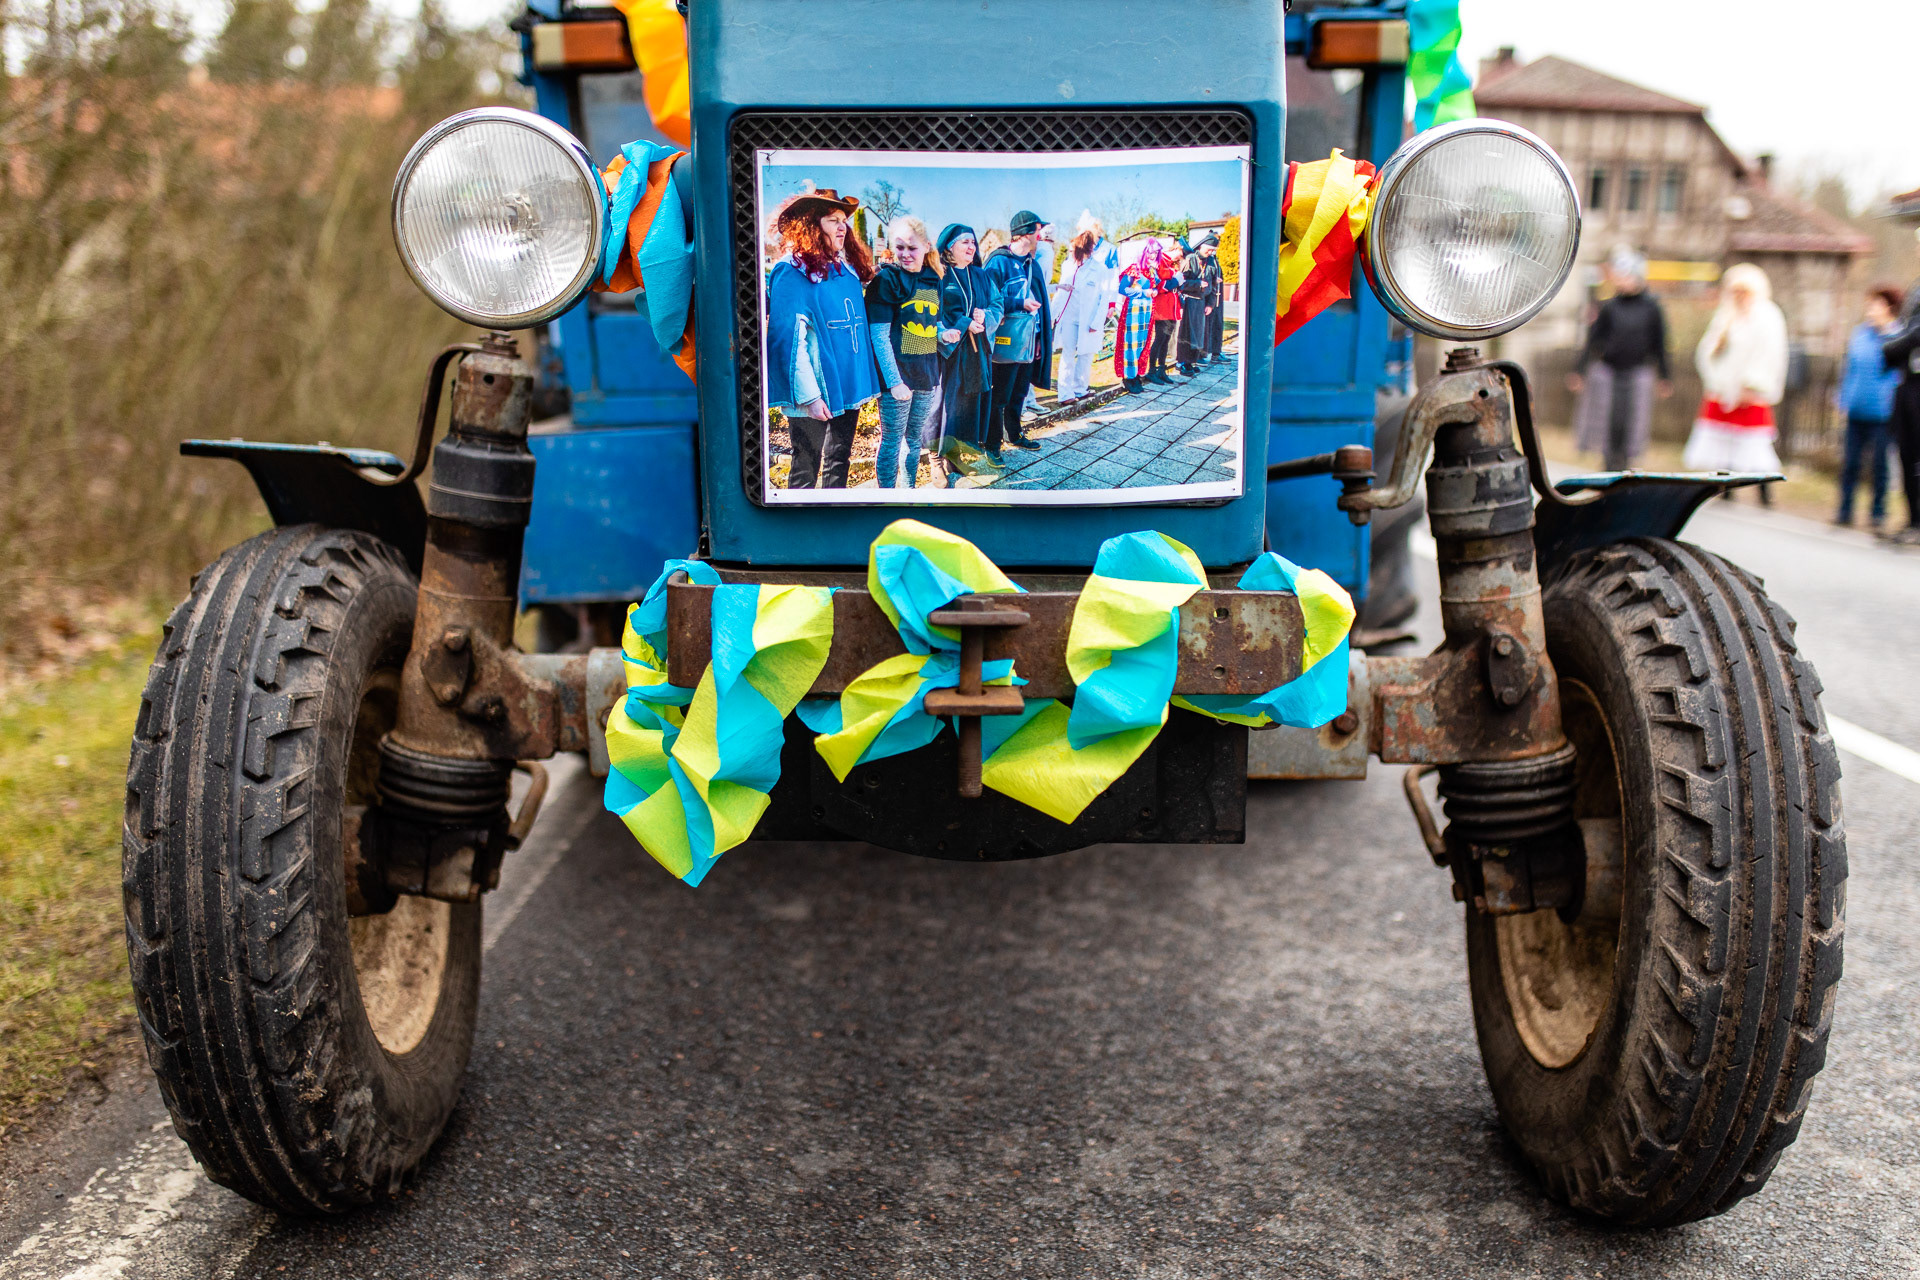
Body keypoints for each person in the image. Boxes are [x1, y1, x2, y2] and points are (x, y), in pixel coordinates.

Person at [765, 188, 881, 489]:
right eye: (833, 220)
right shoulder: (791, 272)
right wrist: (810, 398)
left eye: (844, 220)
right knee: (805, 466)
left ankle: (834, 515)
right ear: (811, 225)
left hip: (847, 385)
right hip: (815, 389)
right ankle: (799, 519)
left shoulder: (846, 271)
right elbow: (788, 342)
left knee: (839, 459)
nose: (843, 227)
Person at [1683, 263, 1789, 503]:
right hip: (1724, 388)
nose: (1739, 296)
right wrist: (1715, 362)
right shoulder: (1726, 315)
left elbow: (1770, 353)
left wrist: (1752, 384)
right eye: (1735, 291)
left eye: (1744, 291)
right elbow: (1708, 349)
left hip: (1749, 390)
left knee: (1753, 444)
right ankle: (1726, 489)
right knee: (1724, 442)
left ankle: (1763, 492)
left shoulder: (1767, 316)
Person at [1570, 247, 1672, 472]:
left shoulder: (1652, 308)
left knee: (1632, 422)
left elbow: (1660, 343)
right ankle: (1608, 463)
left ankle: (1626, 464)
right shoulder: (1609, 307)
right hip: (1609, 371)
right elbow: (1592, 340)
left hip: (1638, 371)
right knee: (1608, 421)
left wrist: (1665, 376)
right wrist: (1579, 370)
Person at [865, 216, 945, 489]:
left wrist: (943, 333)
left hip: (926, 374)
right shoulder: (886, 280)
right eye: (899, 247)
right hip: (898, 378)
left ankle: (908, 492)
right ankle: (886, 497)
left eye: (912, 247)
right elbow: (879, 336)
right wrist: (894, 382)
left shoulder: (933, 279)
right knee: (891, 441)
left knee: (914, 441)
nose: (905, 254)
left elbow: (932, 323)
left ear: (926, 246)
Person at [932, 223, 1005, 487]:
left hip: (976, 354)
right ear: (949, 246)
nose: (971, 246)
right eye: (965, 242)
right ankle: (936, 459)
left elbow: (998, 303)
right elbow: (934, 311)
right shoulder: (940, 275)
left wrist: (986, 316)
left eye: (973, 242)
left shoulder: (981, 275)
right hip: (950, 353)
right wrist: (964, 324)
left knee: (968, 407)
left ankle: (958, 455)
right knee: (945, 406)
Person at [1832, 284, 1906, 530]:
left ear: (1889, 307)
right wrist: (1842, 399)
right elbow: (1849, 369)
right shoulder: (1860, 335)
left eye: (1876, 304)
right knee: (1850, 463)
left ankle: (1878, 512)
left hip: (1884, 413)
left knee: (1879, 465)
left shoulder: (1899, 337)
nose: (1870, 309)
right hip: (1857, 409)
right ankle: (1845, 510)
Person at [982, 210, 1053, 461]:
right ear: (1024, 233)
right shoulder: (998, 262)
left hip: (1027, 340)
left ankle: (1014, 433)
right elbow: (987, 299)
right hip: (1004, 340)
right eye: (1037, 231)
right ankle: (992, 444)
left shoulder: (1031, 264)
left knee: (1019, 391)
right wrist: (1019, 303)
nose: (1040, 236)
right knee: (999, 394)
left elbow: (1040, 302)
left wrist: (1039, 339)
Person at [1050, 214, 1121, 402]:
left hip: (1089, 319)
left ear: (1088, 250)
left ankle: (1080, 389)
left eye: (1077, 251)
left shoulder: (1099, 270)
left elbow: (1103, 298)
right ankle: (1065, 394)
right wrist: (1052, 315)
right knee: (1067, 355)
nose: (1073, 255)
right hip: (1069, 318)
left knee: (1086, 354)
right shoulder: (1068, 266)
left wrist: (1096, 322)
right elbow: (1061, 293)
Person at [1884, 290, 1920, 543]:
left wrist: (1895, 345)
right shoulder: (1916, 291)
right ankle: (1913, 521)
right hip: (1908, 387)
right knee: (1907, 456)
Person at [1112, 240, 1160, 394]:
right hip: (1133, 311)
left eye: (1156, 253)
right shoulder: (1134, 269)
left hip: (1146, 312)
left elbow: (1155, 286)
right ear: (1144, 252)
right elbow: (1122, 289)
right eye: (1150, 252)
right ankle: (1128, 377)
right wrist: (1143, 292)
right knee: (1130, 343)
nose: (1153, 255)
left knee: (1142, 343)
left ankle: (1136, 375)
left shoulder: (1152, 270)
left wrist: (1154, 291)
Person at [1147, 237, 1183, 386]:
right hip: (1162, 306)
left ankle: (1161, 370)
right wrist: (1175, 281)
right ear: (1176, 249)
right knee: (1159, 339)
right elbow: (1158, 284)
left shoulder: (1172, 263)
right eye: (1180, 254)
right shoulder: (1161, 261)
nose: (1180, 258)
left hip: (1172, 306)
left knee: (1166, 340)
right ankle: (1152, 370)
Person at [1198, 233, 1227, 363]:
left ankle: (1216, 351)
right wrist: (1213, 281)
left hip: (1216, 298)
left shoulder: (1214, 259)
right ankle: (1203, 353)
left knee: (1217, 325)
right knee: (1206, 327)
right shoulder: (1205, 259)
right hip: (1207, 298)